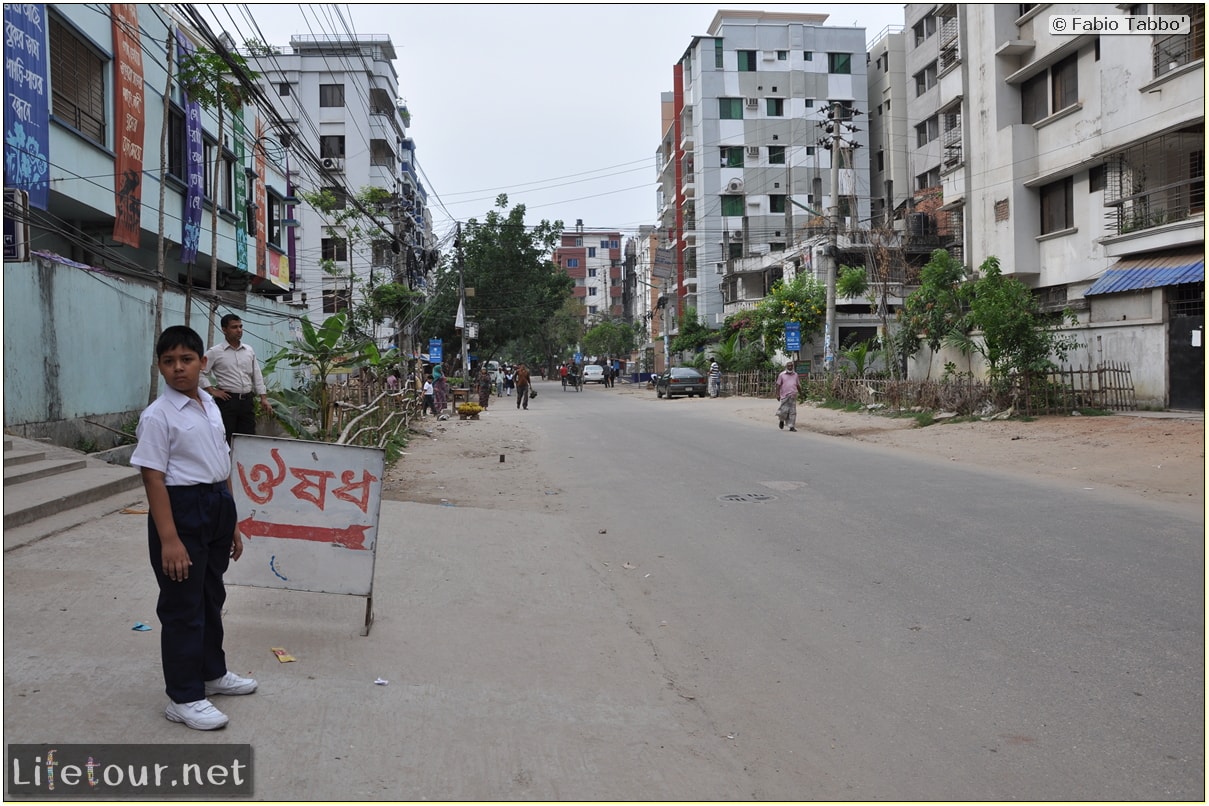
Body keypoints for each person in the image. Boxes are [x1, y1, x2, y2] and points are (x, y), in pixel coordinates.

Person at [129, 325, 257, 731]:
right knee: (183, 605)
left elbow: (222, 462)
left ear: (204, 363)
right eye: (169, 362)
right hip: (181, 509)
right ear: (160, 367)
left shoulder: (209, 404)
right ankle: (183, 697)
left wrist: (231, 519)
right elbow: (152, 478)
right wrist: (169, 539)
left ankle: (211, 673)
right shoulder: (158, 416)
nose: (178, 368)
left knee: (210, 595)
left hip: (216, 504)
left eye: (186, 360)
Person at [203, 314, 271, 443]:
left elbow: (257, 374)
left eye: (240, 326)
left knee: (248, 438)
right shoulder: (215, 352)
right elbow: (200, 372)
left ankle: (245, 463)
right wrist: (212, 391)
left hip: (247, 401)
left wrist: (263, 398)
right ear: (224, 329)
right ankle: (226, 463)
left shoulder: (248, 350)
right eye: (234, 327)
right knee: (227, 438)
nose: (239, 330)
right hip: (227, 401)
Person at [775, 360, 800, 432]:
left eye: (791, 366)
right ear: (786, 367)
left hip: (793, 395)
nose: (790, 367)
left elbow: (798, 385)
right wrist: (777, 394)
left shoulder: (795, 375)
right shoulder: (782, 375)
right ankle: (781, 420)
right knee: (784, 410)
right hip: (784, 396)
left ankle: (791, 426)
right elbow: (778, 385)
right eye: (788, 366)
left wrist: (801, 393)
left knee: (792, 411)